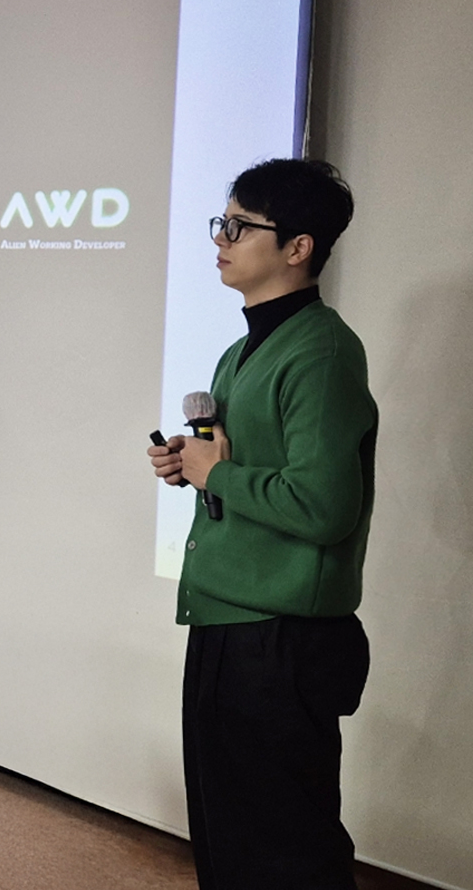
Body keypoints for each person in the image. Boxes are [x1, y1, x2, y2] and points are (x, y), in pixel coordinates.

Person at [148, 159, 377, 890]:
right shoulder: (239, 351)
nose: (221, 239)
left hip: (281, 635)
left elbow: (323, 505)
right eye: (223, 222)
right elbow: (244, 474)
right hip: (226, 616)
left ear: (298, 247)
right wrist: (192, 466)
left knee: (285, 848)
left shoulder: (322, 352)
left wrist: (218, 474)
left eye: (240, 226)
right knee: (227, 836)